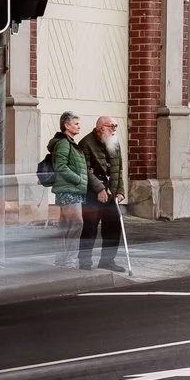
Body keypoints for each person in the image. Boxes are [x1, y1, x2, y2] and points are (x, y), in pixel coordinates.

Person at [79, 116, 130, 271]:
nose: (114, 129)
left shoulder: (114, 143)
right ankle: (85, 262)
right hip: (92, 195)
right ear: (100, 127)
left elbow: (118, 170)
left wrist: (120, 190)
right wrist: (100, 188)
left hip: (111, 194)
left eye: (116, 126)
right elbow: (85, 171)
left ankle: (107, 261)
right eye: (111, 126)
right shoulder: (86, 143)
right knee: (90, 228)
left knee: (114, 227)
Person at [37, 112, 89, 249]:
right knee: (75, 224)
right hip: (68, 190)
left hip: (73, 190)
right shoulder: (64, 143)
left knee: (67, 226)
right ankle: (69, 261)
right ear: (67, 125)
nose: (79, 127)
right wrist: (78, 179)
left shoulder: (70, 143)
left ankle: (63, 260)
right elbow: (61, 166)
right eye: (76, 124)